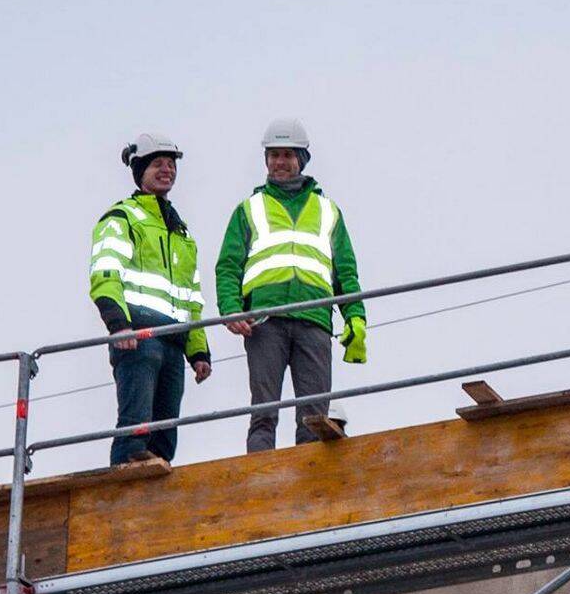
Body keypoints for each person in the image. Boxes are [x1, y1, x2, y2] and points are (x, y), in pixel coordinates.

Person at [216, 118, 367, 452]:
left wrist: (356, 317)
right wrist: (230, 309)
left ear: (302, 159)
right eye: (274, 155)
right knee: (264, 411)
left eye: (287, 155)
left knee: (314, 416)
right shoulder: (250, 209)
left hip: (314, 320)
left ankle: (309, 477)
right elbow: (228, 267)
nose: (279, 162)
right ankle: (260, 473)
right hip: (265, 322)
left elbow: (345, 272)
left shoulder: (328, 211)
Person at [88, 133, 213, 465]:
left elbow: (191, 300)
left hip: (173, 342)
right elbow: (105, 274)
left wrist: (198, 351)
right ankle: (123, 482)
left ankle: (156, 484)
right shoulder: (122, 217)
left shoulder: (181, 233)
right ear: (140, 170)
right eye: (158, 164)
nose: (167, 170)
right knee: (135, 428)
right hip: (138, 338)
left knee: (165, 435)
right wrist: (118, 325)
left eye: (171, 164)